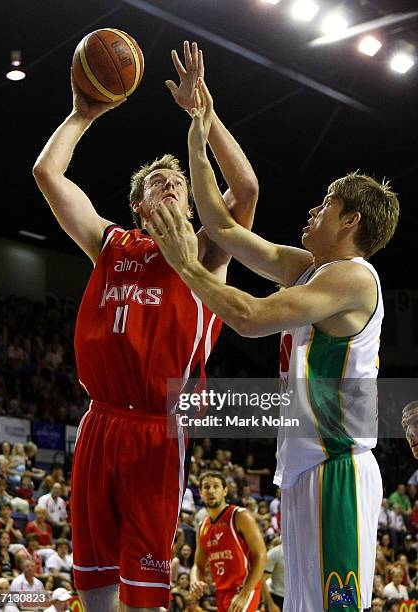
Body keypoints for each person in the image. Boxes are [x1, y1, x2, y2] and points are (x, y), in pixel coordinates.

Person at [146, 78, 399, 611]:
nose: (314, 210)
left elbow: (250, 316)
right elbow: (219, 221)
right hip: (306, 468)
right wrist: (201, 126)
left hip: (340, 470)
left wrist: (187, 266)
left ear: (350, 220)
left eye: (327, 204)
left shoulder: (353, 278)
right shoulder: (311, 269)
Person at [32, 39, 258, 612]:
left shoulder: (204, 253)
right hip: (99, 422)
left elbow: (248, 189)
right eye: (157, 182)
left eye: (179, 183)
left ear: (190, 207)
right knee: (94, 588)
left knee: (144, 597)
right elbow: (46, 172)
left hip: (159, 432)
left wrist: (203, 116)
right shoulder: (110, 244)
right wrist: (83, 115)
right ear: (138, 205)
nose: (170, 184)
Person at [190, 471, 267, 612]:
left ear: (225, 491)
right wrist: (195, 580)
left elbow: (261, 555)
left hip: (244, 587)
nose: (211, 491)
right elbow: (198, 565)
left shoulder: (240, 516)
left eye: (216, 486)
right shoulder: (202, 527)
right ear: (200, 492)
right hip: (221, 591)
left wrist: (245, 593)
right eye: (206, 487)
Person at [263, 537, 284, 611]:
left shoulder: (301, 554)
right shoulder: (276, 552)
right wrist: (271, 604)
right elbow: (261, 580)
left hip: (295, 598)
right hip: (276, 598)